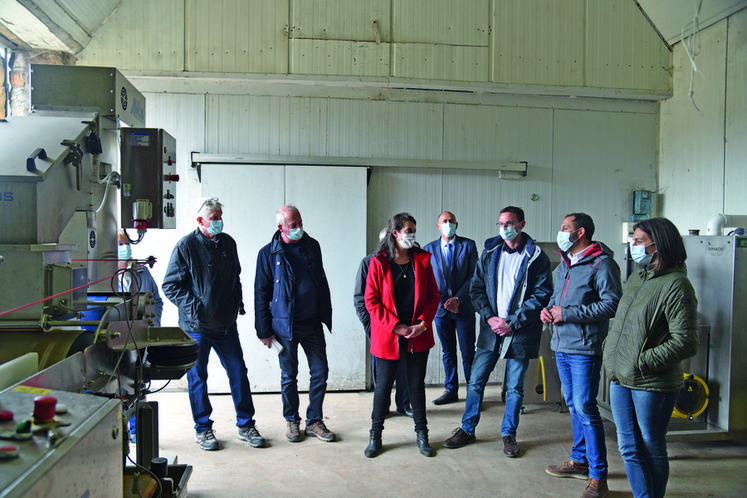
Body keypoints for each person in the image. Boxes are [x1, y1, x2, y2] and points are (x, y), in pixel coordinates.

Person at [442, 206, 552, 457]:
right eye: (501, 224)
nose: (505, 228)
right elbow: (476, 289)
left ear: (522, 224)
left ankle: (509, 435)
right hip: (491, 331)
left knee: (515, 387)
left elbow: (541, 295)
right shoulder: (490, 253)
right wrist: (490, 317)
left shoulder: (536, 257)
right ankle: (467, 429)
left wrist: (512, 322)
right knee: (476, 382)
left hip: (519, 332)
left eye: (510, 223)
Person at [603, 217, 698, 498]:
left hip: (651, 383)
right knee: (628, 447)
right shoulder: (638, 277)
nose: (634, 246)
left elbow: (686, 341)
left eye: (639, 241)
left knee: (651, 445)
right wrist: (613, 352)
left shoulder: (677, 285)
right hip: (621, 377)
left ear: (660, 245)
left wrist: (641, 361)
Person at [162, 198, 265, 451]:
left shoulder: (228, 243)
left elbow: (236, 277)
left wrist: (237, 303)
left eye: (220, 216)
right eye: (214, 217)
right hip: (196, 327)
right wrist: (196, 307)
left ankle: (246, 424)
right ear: (200, 221)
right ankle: (203, 429)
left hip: (226, 325)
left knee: (238, 372)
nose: (219, 221)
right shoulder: (185, 246)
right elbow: (170, 285)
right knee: (198, 378)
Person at [540, 213, 622, 498]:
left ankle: (599, 476)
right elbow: (556, 298)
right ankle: (579, 460)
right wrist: (549, 310)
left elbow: (611, 304)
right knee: (574, 406)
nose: (560, 232)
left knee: (586, 409)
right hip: (561, 345)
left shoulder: (602, 264)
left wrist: (567, 314)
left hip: (585, 349)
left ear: (581, 232)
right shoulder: (564, 264)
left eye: (565, 228)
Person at [254, 205, 335, 443]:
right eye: (293, 225)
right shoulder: (268, 253)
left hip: (312, 322)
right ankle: (291, 420)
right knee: (289, 375)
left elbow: (320, 281)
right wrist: (264, 330)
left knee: (320, 371)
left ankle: (314, 421)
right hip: (284, 326)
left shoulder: (313, 246)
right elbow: (261, 293)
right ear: (280, 227)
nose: (299, 228)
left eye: (300, 222)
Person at [363, 212, 440, 458]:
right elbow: (371, 301)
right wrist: (395, 326)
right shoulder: (378, 263)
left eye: (414, 231)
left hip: (418, 334)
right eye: (408, 231)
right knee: (383, 387)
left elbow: (433, 296)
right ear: (394, 233)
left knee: (416, 386)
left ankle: (422, 435)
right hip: (388, 335)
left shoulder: (423, 260)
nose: (412, 236)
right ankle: (375, 436)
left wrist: (423, 324)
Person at [354, 229, 412, 417]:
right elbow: (361, 299)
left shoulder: (405, 262)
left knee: (404, 366)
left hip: (403, 326)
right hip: (380, 327)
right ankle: (382, 407)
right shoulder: (369, 263)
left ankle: (404, 404)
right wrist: (370, 327)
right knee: (382, 372)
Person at [423, 211, 478, 405]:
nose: (448, 224)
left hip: (464, 309)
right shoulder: (428, 249)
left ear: (457, 224)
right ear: (438, 226)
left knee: (468, 352)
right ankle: (451, 390)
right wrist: (445, 301)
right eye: (444, 221)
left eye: (451, 221)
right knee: (448, 352)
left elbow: (474, 275)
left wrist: (458, 299)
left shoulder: (469, 246)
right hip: (440, 310)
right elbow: (427, 281)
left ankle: (474, 393)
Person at [117, 229, 164, 444]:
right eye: (118, 245)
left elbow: (157, 300)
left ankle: (135, 430)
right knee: (118, 385)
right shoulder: (101, 275)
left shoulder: (142, 271)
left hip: (140, 337)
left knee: (139, 383)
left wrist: (152, 327)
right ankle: (118, 429)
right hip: (116, 340)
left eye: (125, 243)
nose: (124, 248)